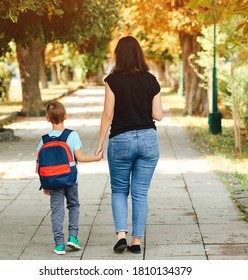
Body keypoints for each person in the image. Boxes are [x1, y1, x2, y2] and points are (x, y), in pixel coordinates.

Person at [94, 36, 164, 254]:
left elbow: (108, 115)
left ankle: (121, 235)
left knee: (118, 190)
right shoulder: (151, 80)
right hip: (147, 139)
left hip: (121, 140)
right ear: (139, 54)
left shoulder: (112, 80)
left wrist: (99, 144)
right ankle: (136, 241)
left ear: (118, 55)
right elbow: (158, 115)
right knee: (140, 192)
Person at [37, 101, 103, 255]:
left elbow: (39, 164)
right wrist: (96, 158)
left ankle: (59, 244)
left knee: (56, 210)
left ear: (47, 118)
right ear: (65, 116)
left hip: (52, 181)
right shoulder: (71, 135)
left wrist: (44, 184)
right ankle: (73, 237)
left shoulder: (44, 139)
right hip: (70, 179)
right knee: (73, 205)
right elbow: (79, 157)